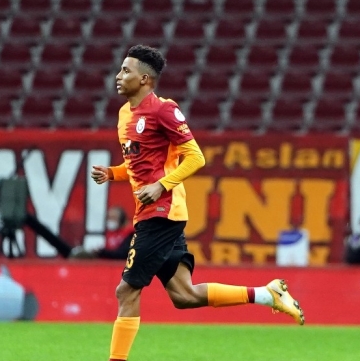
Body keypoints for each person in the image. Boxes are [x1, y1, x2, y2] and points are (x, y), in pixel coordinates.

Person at [91, 45, 304, 361]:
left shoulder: (163, 110)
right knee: (184, 295)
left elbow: (196, 157)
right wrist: (111, 173)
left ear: (145, 79)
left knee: (127, 290)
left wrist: (161, 186)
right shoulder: (125, 115)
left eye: (126, 70)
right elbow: (138, 166)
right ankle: (267, 294)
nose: (118, 76)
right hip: (154, 212)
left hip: (162, 213)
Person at [71, 206, 135, 260]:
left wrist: (102, 252)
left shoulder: (130, 234)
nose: (110, 220)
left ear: (121, 219)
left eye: (113, 217)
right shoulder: (109, 233)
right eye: (109, 217)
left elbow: (123, 254)